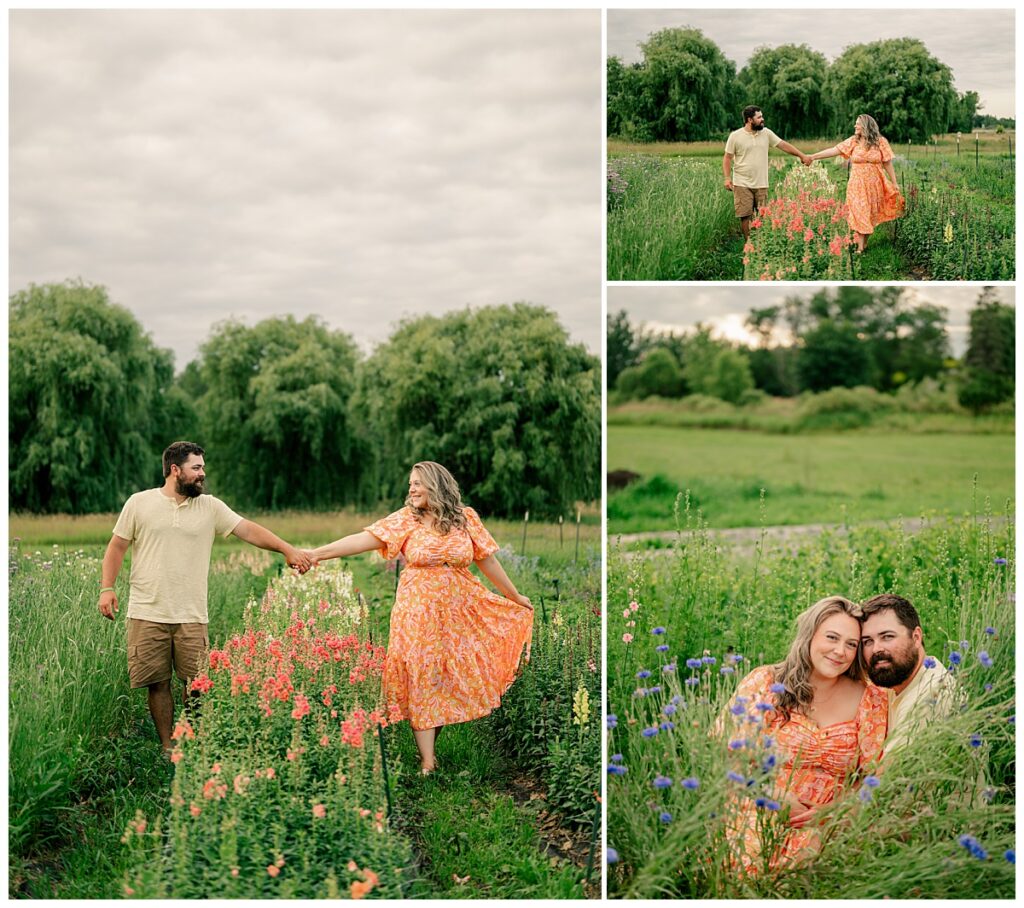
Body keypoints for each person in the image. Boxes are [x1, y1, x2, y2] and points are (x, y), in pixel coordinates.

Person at [307, 461, 534, 775]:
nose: (411, 489)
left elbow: (487, 560)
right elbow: (362, 540)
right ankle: (428, 761)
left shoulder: (466, 519)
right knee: (422, 674)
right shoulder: (406, 520)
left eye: (417, 483)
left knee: (445, 676)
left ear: (436, 485)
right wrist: (316, 553)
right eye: (410, 484)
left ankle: (429, 749)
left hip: (459, 612)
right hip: (417, 611)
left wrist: (514, 596)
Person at [99, 441, 312, 759]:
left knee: (196, 683)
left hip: (191, 612)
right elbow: (116, 547)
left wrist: (287, 549)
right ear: (175, 470)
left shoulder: (211, 507)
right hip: (147, 610)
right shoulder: (139, 504)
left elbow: (249, 530)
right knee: (157, 683)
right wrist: (107, 588)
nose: (203, 473)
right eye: (196, 468)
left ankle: (195, 742)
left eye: (202, 467)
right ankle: (168, 747)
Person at [720, 596, 888, 872]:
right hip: (756, 807)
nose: (840, 651)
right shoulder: (766, 683)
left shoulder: (870, 698)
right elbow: (727, 755)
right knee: (750, 860)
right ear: (809, 636)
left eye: (851, 644)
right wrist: (770, 793)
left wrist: (837, 811)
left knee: (812, 863)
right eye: (832, 638)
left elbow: (874, 775)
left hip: (830, 824)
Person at [859, 594, 955, 755]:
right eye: (868, 641)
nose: (876, 649)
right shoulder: (897, 681)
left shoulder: (931, 696)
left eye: (887, 636)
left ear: (916, 637)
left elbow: (888, 777)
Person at [808, 114, 904, 253]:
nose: (855, 126)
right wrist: (813, 156)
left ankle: (863, 243)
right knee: (859, 211)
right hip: (856, 185)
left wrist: (894, 182)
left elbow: (887, 163)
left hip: (874, 185)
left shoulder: (880, 142)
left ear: (865, 126)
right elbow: (834, 150)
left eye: (857, 124)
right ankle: (860, 248)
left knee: (869, 213)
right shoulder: (853, 141)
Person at [723, 105, 813, 241]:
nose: (762, 119)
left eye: (762, 116)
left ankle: (760, 243)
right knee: (745, 215)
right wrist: (727, 178)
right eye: (759, 117)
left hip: (761, 182)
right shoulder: (735, 136)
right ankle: (749, 245)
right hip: (741, 182)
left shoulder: (766, 133)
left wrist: (801, 155)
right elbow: (727, 158)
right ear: (749, 120)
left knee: (762, 214)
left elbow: (783, 145)